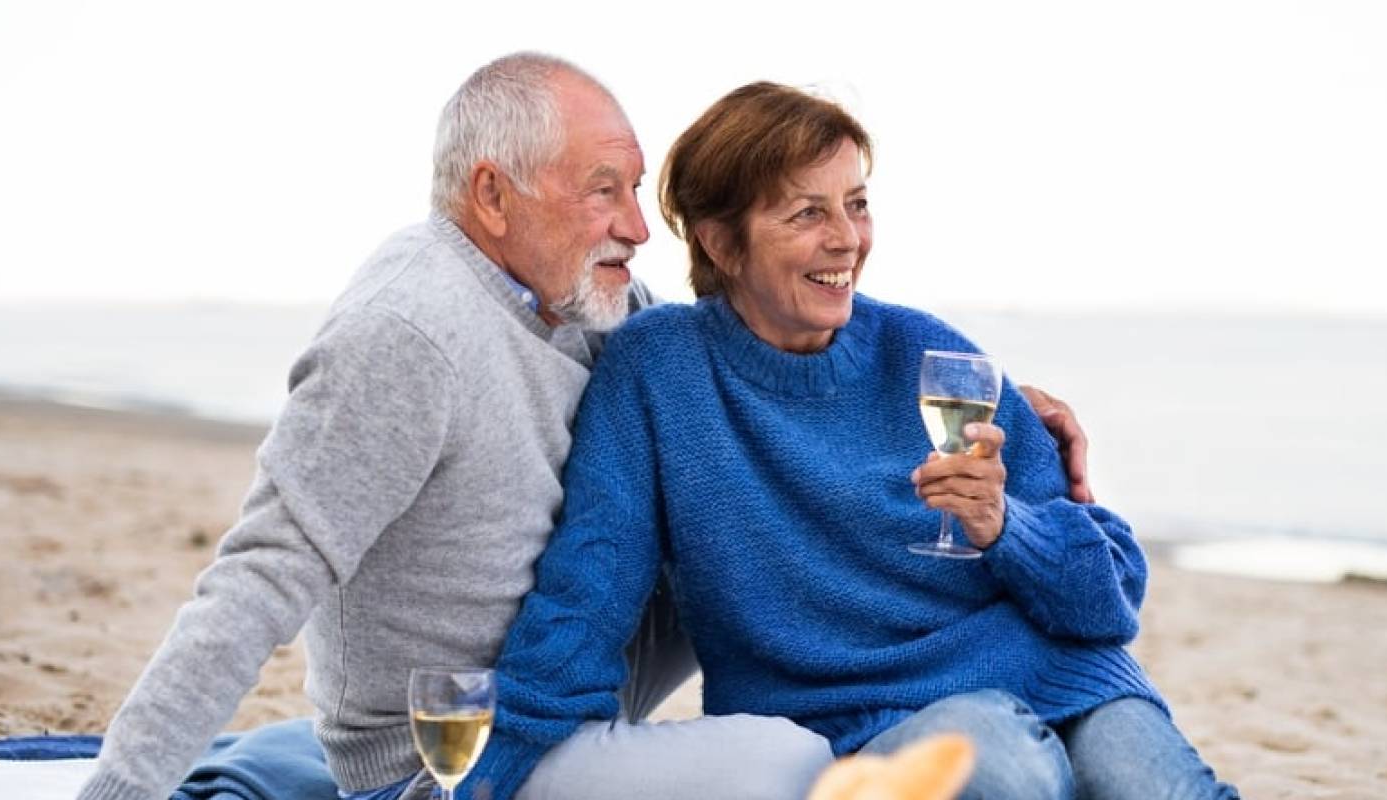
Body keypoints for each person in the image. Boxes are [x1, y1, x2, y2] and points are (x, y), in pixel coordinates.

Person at [77, 55, 1094, 800]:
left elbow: (748, 367)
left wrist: (1015, 413)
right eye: (600, 190)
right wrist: (118, 793)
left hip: (572, 705)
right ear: (492, 195)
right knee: (789, 757)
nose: (637, 224)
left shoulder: (584, 300)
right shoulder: (410, 333)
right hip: (460, 760)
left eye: (634, 187)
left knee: (752, 496)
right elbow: (257, 576)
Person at [463, 82, 1238, 800]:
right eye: (807, 214)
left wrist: (1008, 527)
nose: (847, 241)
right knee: (1002, 764)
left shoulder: (934, 358)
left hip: (1069, 679)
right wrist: (485, 777)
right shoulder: (659, 373)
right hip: (855, 723)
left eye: (857, 205)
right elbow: (586, 594)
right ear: (722, 243)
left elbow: (1110, 603)